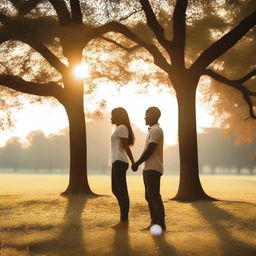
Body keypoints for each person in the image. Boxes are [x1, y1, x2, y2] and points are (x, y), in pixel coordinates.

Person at [132, 106, 166, 231]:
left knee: (154, 196)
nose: (145, 117)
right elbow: (148, 149)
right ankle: (154, 222)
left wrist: (137, 163)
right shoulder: (151, 130)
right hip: (148, 168)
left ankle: (160, 224)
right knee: (149, 196)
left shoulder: (156, 130)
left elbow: (150, 149)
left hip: (153, 168)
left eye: (147, 114)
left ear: (154, 116)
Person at [110, 107, 135, 229]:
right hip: (116, 161)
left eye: (112, 115)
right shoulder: (119, 128)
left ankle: (124, 221)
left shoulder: (122, 128)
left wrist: (133, 162)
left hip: (120, 162)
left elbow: (126, 146)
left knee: (122, 192)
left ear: (118, 116)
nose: (111, 117)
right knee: (115, 190)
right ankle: (123, 218)